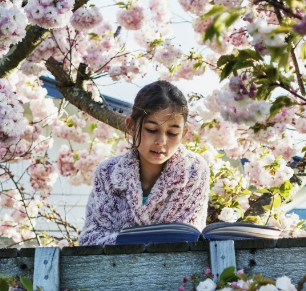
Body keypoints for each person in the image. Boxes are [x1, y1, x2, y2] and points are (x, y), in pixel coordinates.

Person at [78, 81, 210, 246]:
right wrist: (140, 242)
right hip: (115, 269)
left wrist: (125, 240)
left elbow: (188, 235)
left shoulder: (194, 170)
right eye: (151, 130)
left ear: (183, 134)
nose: (161, 141)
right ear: (131, 126)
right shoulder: (107, 173)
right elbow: (91, 238)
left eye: (172, 133)